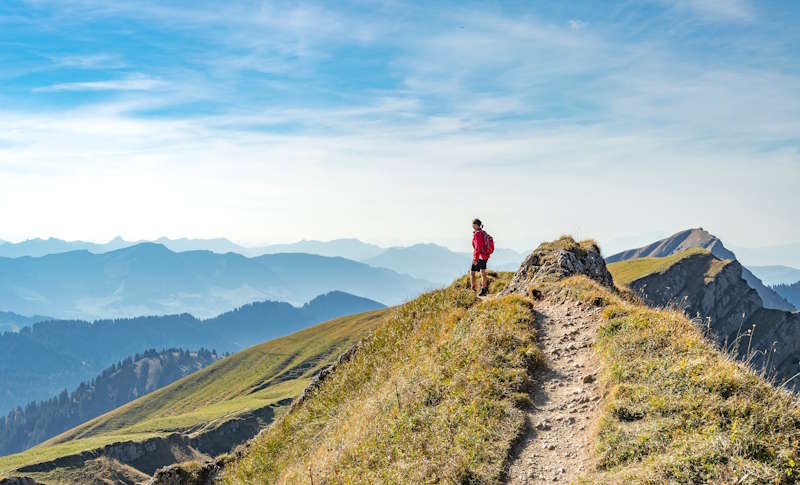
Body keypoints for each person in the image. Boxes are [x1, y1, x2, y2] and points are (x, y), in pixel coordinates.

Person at [471, 218, 490, 296]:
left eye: (473, 224)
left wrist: (475, 258)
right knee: (483, 272)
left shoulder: (477, 234)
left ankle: (473, 290)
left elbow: (477, 247)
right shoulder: (483, 232)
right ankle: (483, 290)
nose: (472, 226)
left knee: (472, 273)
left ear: (476, 225)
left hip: (479, 256)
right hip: (485, 256)